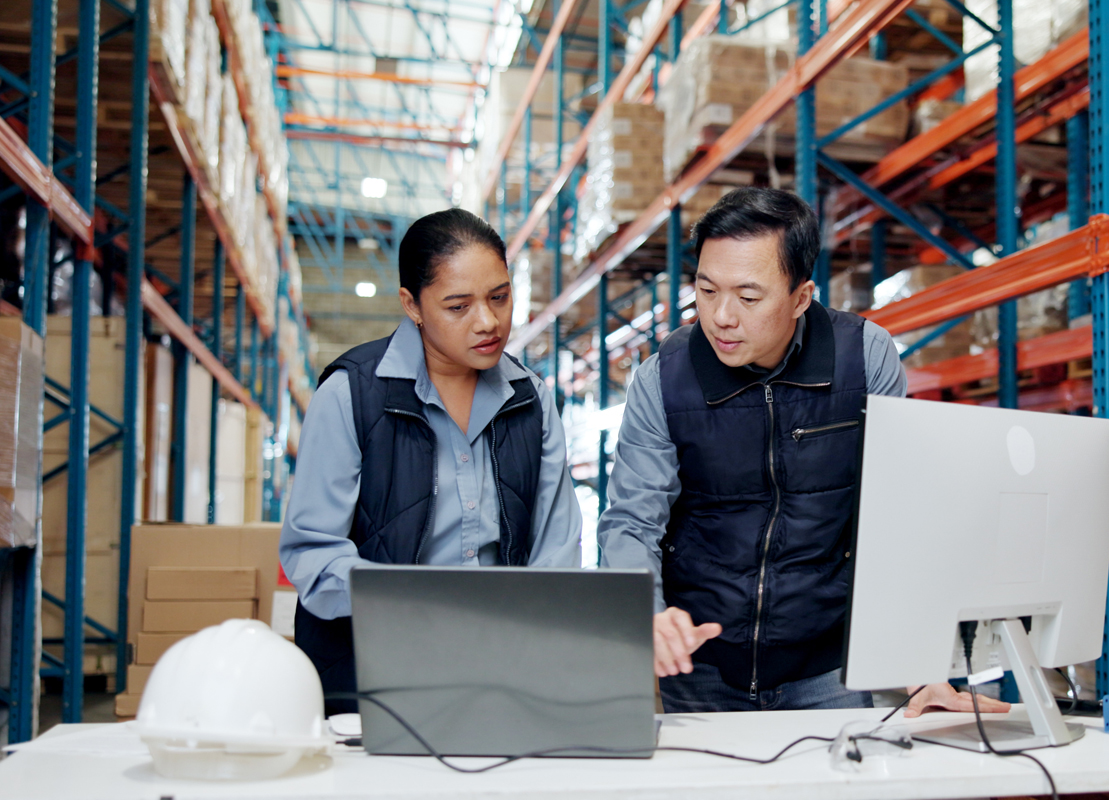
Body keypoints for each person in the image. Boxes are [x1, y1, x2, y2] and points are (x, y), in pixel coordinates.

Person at [598, 187, 1010, 717]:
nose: (721, 316)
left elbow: (897, 517)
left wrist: (921, 664)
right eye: (705, 290)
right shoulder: (662, 379)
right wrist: (646, 614)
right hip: (702, 664)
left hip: (825, 666)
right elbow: (631, 522)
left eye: (748, 297)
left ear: (801, 297)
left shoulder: (864, 358)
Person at [281, 209, 583, 713]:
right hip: (370, 676)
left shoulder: (531, 400)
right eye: (458, 306)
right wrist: (416, 604)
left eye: (500, 297)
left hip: (500, 673)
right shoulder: (352, 395)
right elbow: (313, 555)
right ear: (412, 305)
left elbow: (555, 550)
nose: (487, 321)